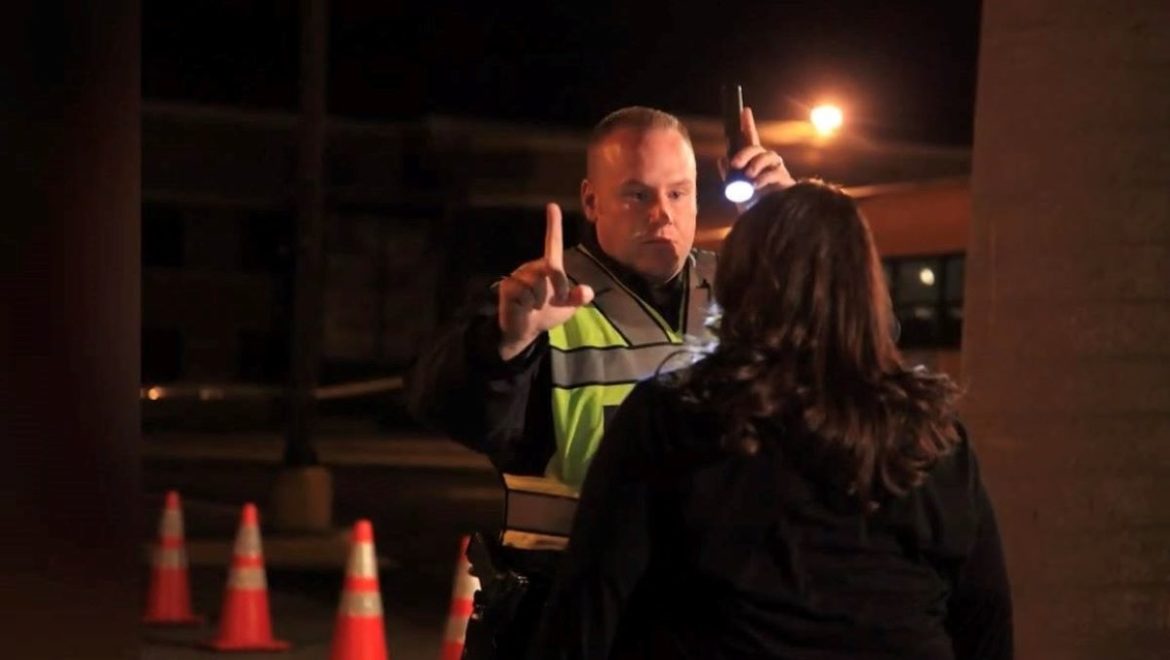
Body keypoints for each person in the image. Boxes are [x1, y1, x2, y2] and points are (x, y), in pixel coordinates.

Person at [531, 181, 1013, 660]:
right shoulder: (933, 439)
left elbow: (588, 611)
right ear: (869, 289)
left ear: (737, 283)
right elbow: (985, 621)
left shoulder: (674, 417)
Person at [405, 105, 794, 657]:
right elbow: (443, 404)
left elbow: (860, 347)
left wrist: (797, 227)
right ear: (591, 201)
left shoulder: (749, 290)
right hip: (569, 614)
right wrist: (507, 344)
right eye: (637, 194)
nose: (662, 214)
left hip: (717, 615)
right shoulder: (535, 300)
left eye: (679, 194)